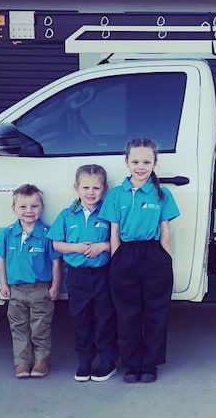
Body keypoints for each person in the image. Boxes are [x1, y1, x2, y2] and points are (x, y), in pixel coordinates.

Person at [100, 137, 180, 383]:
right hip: (125, 254)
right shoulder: (115, 195)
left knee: (155, 311)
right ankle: (132, 363)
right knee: (127, 312)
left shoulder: (161, 193)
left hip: (153, 254)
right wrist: (117, 261)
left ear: (155, 163)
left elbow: (165, 229)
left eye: (146, 161)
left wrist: (166, 258)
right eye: (135, 161)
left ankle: (150, 364)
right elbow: (114, 231)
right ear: (126, 162)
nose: (140, 166)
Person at [48, 165, 118, 383]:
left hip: (103, 274)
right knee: (81, 318)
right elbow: (57, 244)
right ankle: (85, 360)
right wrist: (76, 248)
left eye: (96, 188)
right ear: (76, 188)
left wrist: (102, 246)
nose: (91, 192)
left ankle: (107, 361)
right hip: (77, 276)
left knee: (105, 318)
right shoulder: (67, 215)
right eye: (85, 187)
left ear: (104, 189)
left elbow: (118, 241)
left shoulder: (108, 212)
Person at [0, 184, 62, 379]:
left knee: (40, 326)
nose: (29, 211)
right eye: (23, 207)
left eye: (34, 206)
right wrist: (4, 284)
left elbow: (56, 262)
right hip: (16, 290)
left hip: (40, 289)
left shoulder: (47, 234)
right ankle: (22, 361)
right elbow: (2, 259)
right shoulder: (8, 233)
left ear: (41, 208)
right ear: (14, 209)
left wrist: (55, 287)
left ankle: (41, 360)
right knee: (18, 327)